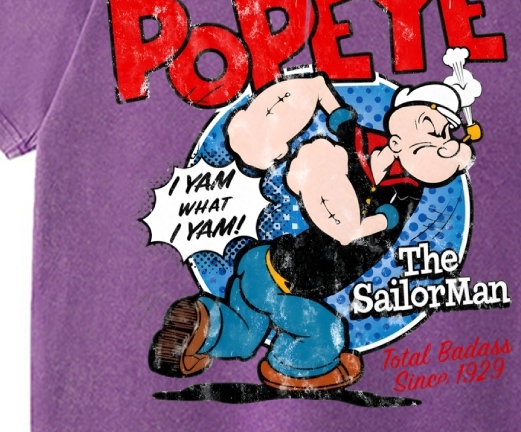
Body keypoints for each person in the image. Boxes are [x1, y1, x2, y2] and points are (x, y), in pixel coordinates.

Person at [148, 73, 478, 391]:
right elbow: (335, 113)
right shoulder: (373, 158)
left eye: (445, 137)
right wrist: (313, 90)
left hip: (262, 263)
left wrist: (355, 226)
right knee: (328, 335)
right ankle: (288, 366)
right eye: (435, 131)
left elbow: (386, 216)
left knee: (245, 335)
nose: (444, 144)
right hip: (286, 287)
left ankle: (203, 324)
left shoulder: (403, 185)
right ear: (398, 136)